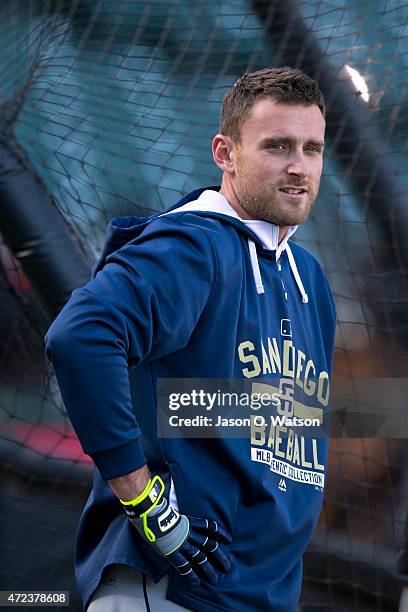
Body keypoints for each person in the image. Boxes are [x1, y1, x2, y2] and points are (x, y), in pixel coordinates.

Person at [45, 67, 336, 612]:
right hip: (172, 587)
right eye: (276, 146)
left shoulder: (310, 279)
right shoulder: (194, 245)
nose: (299, 166)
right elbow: (81, 335)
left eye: (312, 148)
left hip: (259, 594)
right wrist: (146, 501)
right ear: (225, 154)